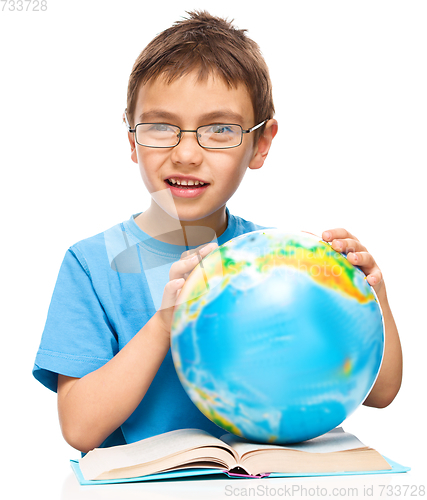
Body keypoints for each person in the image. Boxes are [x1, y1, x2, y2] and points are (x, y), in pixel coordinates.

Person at [32, 11, 402, 454]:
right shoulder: (92, 264)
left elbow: (379, 393)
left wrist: (370, 296)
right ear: (132, 139)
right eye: (161, 127)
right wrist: (166, 324)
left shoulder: (285, 261)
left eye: (220, 129)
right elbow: (79, 429)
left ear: (261, 143)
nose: (186, 153)